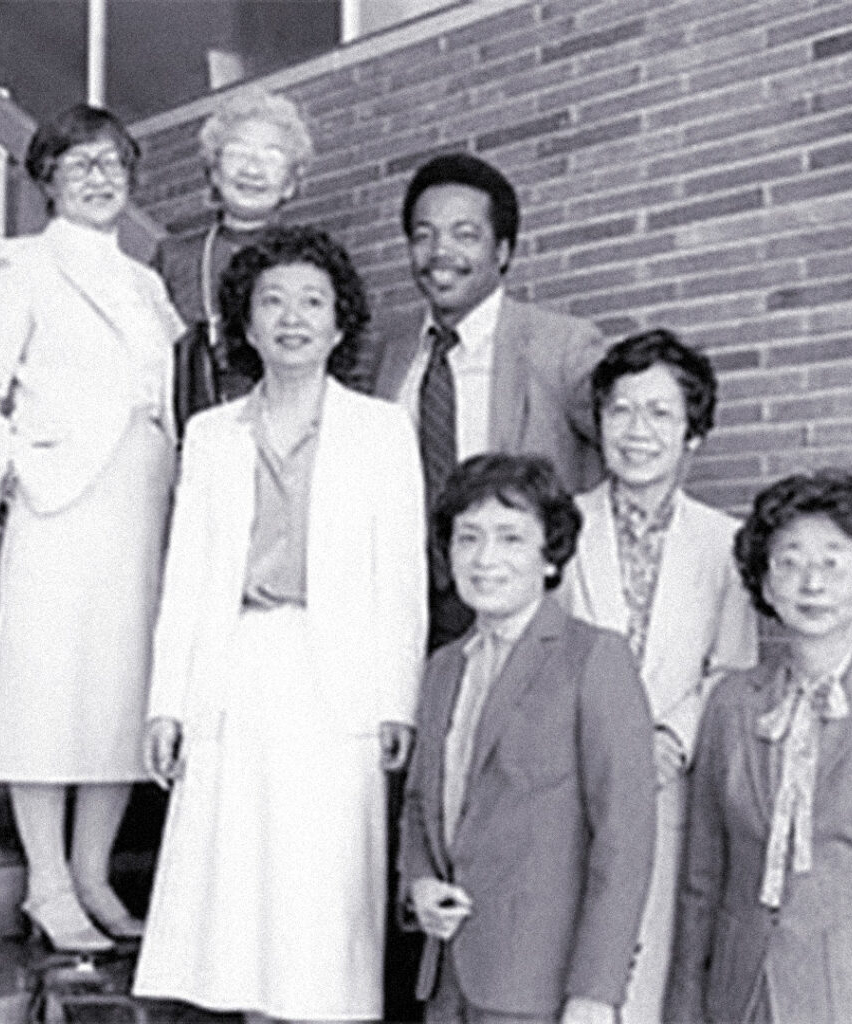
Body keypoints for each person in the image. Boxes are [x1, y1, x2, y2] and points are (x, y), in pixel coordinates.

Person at [132, 225, 427, 1023]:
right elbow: (185, 579)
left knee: (325, 887)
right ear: (247, 322)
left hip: (338, 679)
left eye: (312, 302)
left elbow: (400, 576)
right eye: (272, 301)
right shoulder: (211, 434)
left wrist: (397, 699)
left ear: (339, 324)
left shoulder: (379, 429)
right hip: (237, 668)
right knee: (240, 891)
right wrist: (168, 704)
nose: (292, 318)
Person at [0, 104, 183, 952]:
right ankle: (47, 883)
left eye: (113, 161)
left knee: (120, 693)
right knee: (47, 691)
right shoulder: (24, 269)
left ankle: (92, 874)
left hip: (138, 510)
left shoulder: (149, 285)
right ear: (45, 179)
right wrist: (7, 470)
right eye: (78, 162)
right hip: (59, 505)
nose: (99, 176)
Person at [664, 471, 852, 1024]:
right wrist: (685, 1011)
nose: (811, 584)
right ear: (763, 583)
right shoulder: (731, 705)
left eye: (833, 562)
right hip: (745, 997)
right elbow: (701, 881)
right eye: (789, 561)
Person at [399, 453, 656, 1024]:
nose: (485, 559)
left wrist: (597, 990)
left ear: (549, 556)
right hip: (446, 984)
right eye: (468, 538)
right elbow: (419, 804)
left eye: (511, 538)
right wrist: (418, 883)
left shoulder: (595, 659)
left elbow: (626, 839)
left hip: (544, 987)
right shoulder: (442, 667)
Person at [558, 329, 758, 1024]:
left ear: (693, 434)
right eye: (620, 410)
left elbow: (731, 670)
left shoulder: (728, 544)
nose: (636, 431)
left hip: (667, 791)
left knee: (644, 989)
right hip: (564, 791)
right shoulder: (557, 528)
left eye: (660, 414)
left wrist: (667, 739)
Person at [370, 152, 610, 650]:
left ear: (502, 250)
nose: (441, 251)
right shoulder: (390, 353)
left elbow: (631, 449)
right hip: (406, 612)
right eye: (423, 234)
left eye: (465, 234)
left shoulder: (560, 346)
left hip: (520, 609)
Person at [152, 85, 314, 431]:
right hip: (194, 430)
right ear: (213, 172)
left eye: (271, 157)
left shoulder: (311, 258)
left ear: (290, 183)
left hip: (292, 427)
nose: (253, 169)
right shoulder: (174, 258)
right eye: (238, 153)